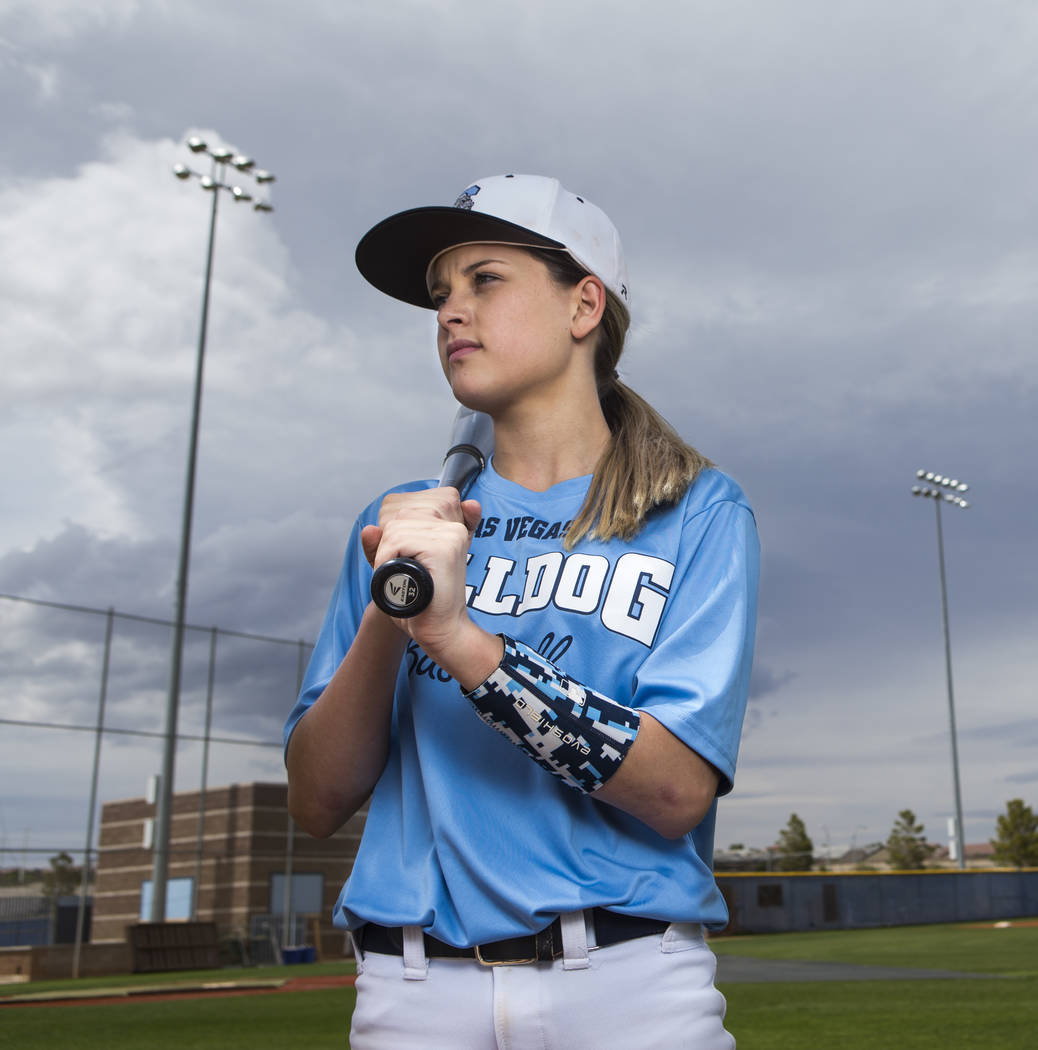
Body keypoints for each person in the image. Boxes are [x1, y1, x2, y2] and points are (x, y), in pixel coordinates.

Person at [284, 174, 759, 1049]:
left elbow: (674, 790)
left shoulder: (696, 511)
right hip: (413, 993)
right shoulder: (401, 525)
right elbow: (318, 797)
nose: (450, 313)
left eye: (485, 280)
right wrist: (397, 610)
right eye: (440, 294)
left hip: (626, 986)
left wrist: (459, 639)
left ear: (584, 305)